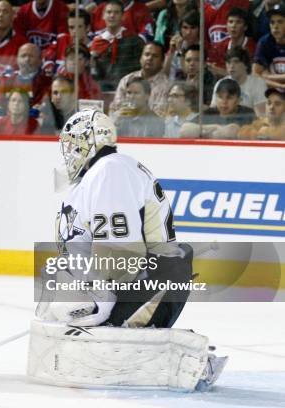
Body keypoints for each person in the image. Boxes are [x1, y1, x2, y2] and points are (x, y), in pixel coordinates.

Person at [33, 108, 227, 390]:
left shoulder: (111, 171)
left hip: (147, 285)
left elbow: (120, 258)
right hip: (134, 284)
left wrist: (95, 303)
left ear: (92, 140)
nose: (70, 152)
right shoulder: (100, 174)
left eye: (75, 144)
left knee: (77, 322)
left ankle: (189, 359)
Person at [89, 0, 144, 92]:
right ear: (103, 16)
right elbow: (95, 73)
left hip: (129, 90)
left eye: (116, 12)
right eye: (109, 12)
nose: (112, 15)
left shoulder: (135, 40)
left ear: (123, 16)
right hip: (104, 91)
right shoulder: (97, 43)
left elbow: (140, 68)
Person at [180, 78, 256, 138]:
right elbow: (184, 130)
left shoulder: (247, 113)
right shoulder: (210, 113)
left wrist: (202, 131)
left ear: (239, 100)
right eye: (220, 97)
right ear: (215, 98)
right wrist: (215, 127)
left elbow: (231, 132)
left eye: (229, 98)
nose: (224, 102)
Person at [110, 42, 170, 116]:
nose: (150, 58)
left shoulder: (166, 86)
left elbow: (160, 116)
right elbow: (115, 108)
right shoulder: (127, 80)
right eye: (147, 54)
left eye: (155, 56)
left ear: (162, 61)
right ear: (140, 58)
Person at [210, 47, 267, 116]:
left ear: (246, 65)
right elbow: (213, 112)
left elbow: (261, 116)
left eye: (236, 62)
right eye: (228, 62)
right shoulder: (220, 83)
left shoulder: (258, 84)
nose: (231, 66)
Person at [206, 7, 256, 77]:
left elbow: (249, 74)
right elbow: (212, 67)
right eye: (230, 22)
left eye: (238, 22)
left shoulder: (253, 47)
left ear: (245, 27)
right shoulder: (221, 46)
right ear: (226, 25)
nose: (233, 26)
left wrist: (221, 72)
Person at [252, 3, 285, 89]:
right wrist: (280, 85)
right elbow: (255, 74)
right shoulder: (265, 42)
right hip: (273, 92)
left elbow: (261, 74)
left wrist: (268, 76)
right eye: (272, 22)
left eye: (280, 22)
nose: (275, 27)